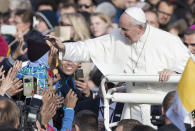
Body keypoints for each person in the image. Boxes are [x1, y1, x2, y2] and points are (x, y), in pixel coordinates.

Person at [46, 7, 190, 126]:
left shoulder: (167, 40)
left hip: (161, 105)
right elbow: (88, 47)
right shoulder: (118, 36)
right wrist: (64, 47)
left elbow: (190, 63)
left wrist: (174, 71)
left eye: (125, 29)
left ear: (139, 28)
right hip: (131, 103)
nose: (121, 32)